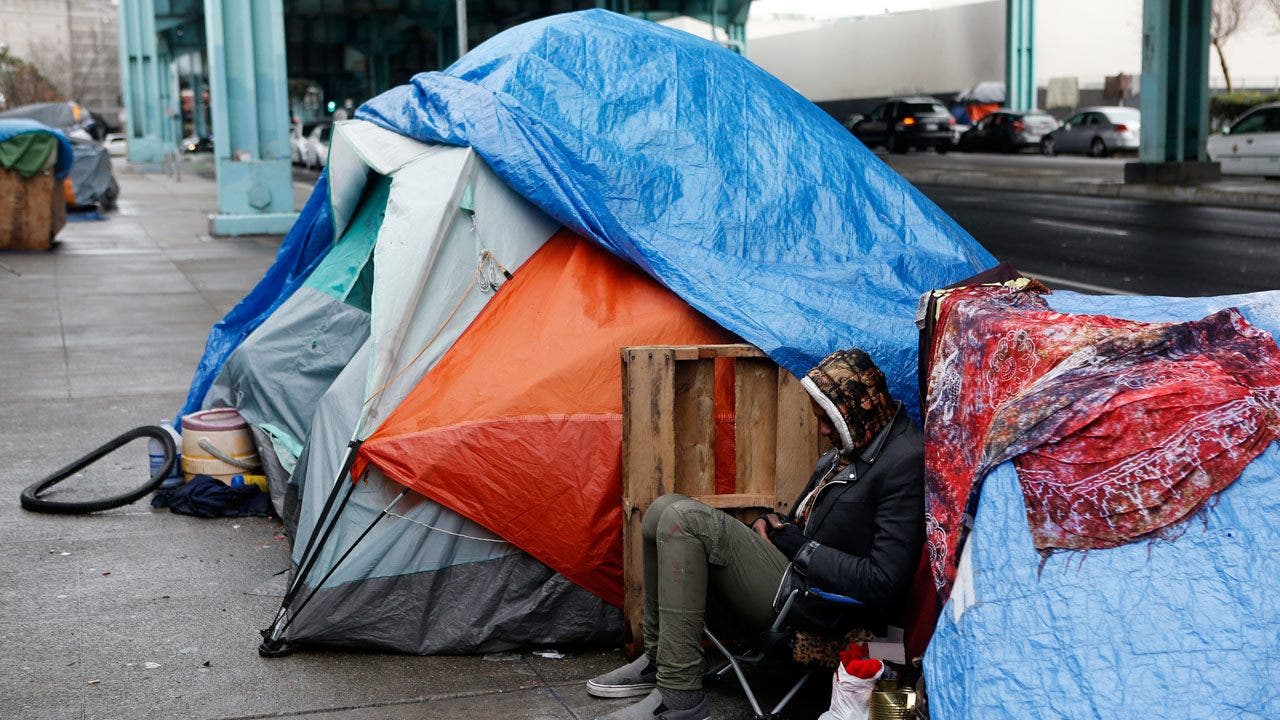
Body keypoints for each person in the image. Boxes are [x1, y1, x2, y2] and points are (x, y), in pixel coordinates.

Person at [586, 348, 925, 720]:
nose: (823, 429)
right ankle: (658, 658)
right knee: (659, 510)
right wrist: (773, 523)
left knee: (682, 519)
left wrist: (803, 549)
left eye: (828, 419)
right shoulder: (852, 446)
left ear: (855, 408)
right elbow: (809, 522)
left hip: (816, 605)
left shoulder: (903, 461)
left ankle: (680, 700)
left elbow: (885, 580)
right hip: (795, 573)